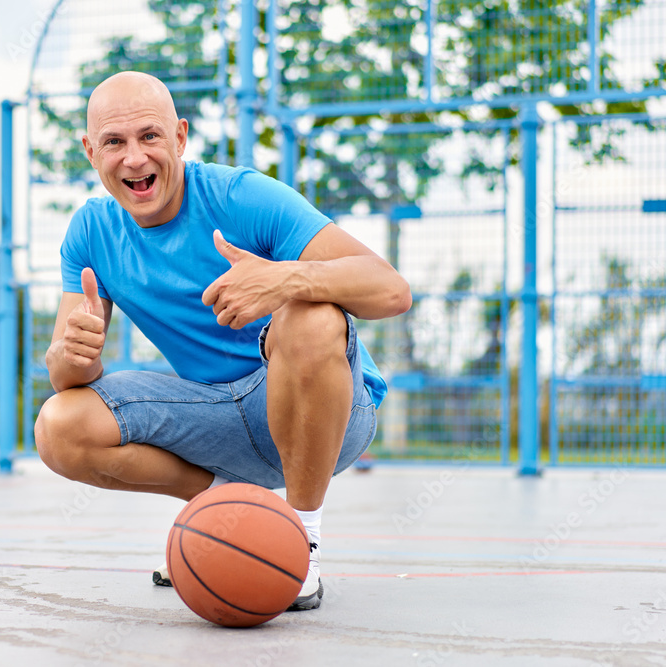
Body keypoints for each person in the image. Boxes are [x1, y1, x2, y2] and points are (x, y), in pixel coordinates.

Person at [34, 71, 411, 611]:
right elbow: (69, 379)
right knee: (59, 426)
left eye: (150, 136)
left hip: (330, 412)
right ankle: (229, 514)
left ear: (181, 137)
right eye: (114, 142)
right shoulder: (90, 232)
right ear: (91, 151)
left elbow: (392, 290)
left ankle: (299, 542)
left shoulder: (241, 196)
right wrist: (68, 354)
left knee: (310, 316)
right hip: (214, 416)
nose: (134, 158)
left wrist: (286, 279)